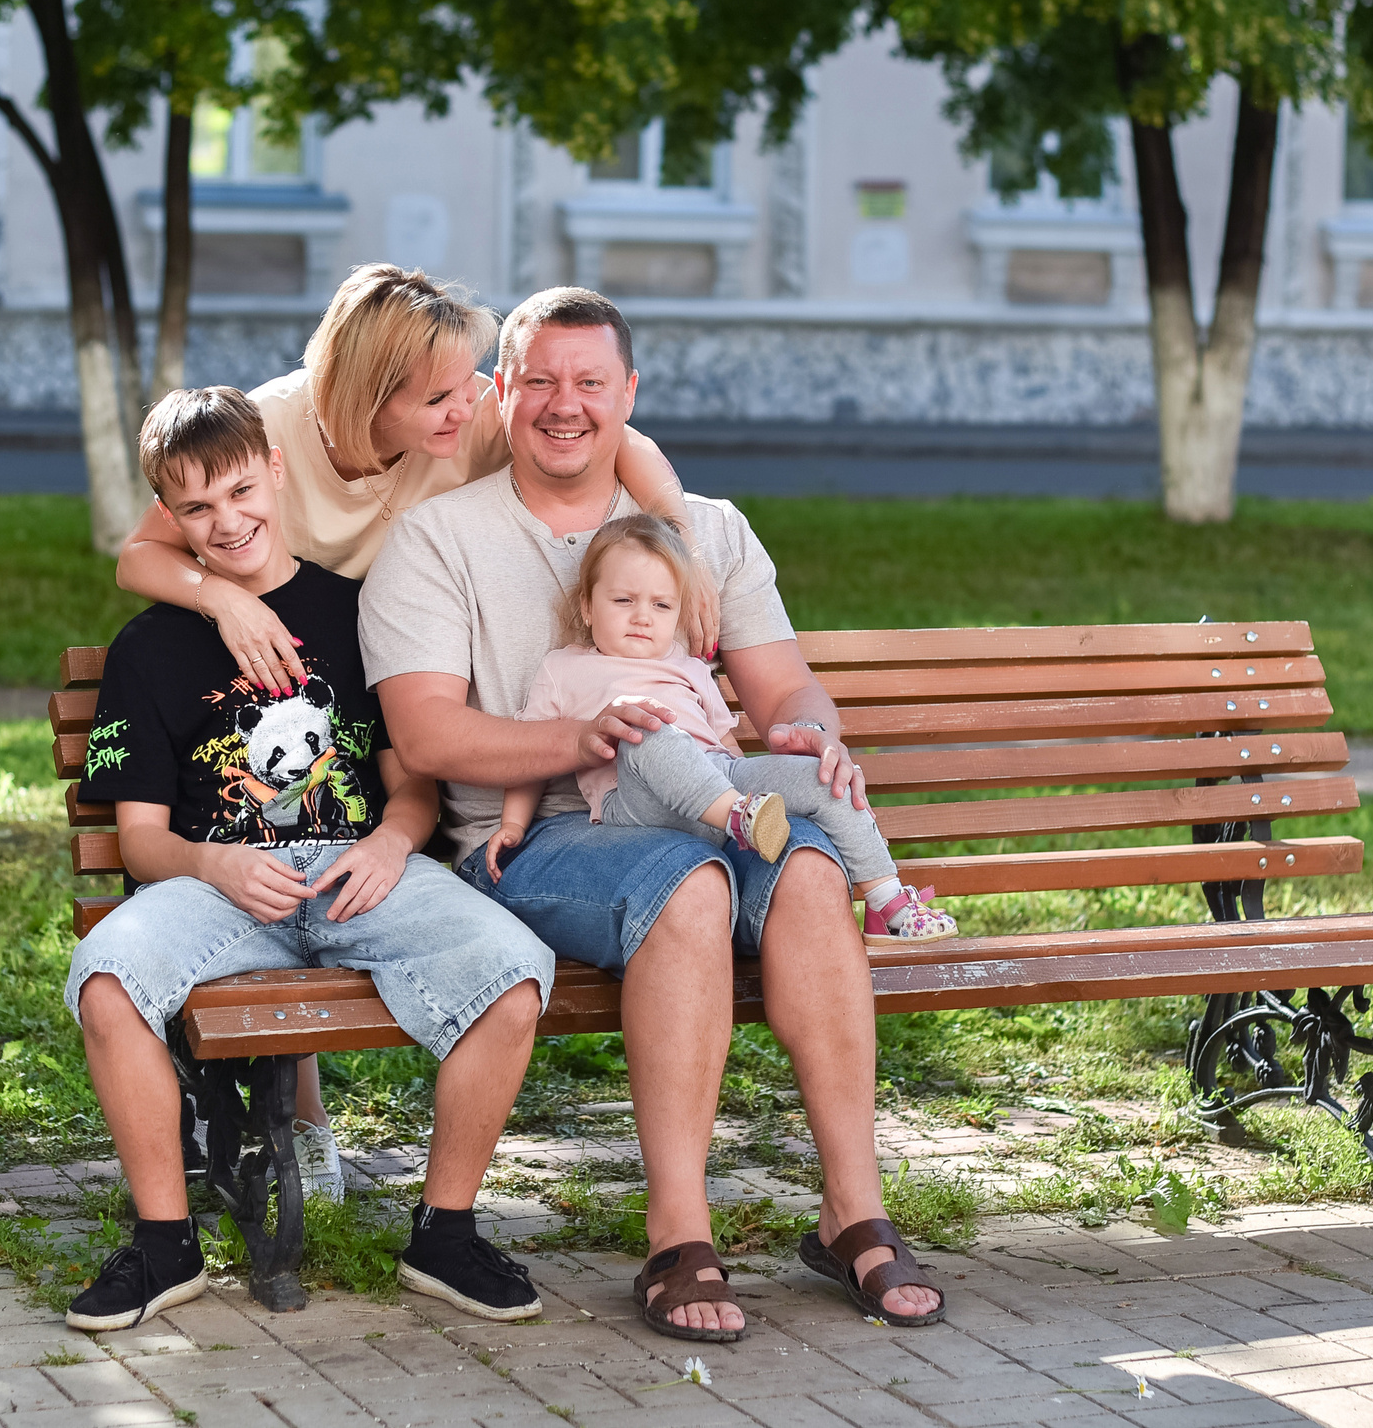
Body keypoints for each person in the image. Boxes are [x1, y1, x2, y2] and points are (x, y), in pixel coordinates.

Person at [361, 288, 948, 1343]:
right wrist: (584, 741)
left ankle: (851, 1208)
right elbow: (429, 732)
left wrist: (817, 738)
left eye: (590, 381)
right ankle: (679, 1229)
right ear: (503, 391)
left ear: (629, 394)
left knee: (809, 868)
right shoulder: (436, 538)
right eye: (537, 378)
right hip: (537, 834)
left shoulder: (707, 533)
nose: (563, 404)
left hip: (710, 808)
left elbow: (785, 691)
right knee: (691, 884)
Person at [113, 262, 705, 1200]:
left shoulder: (458, 418)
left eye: (468, 381)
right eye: (439, 394)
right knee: (272, 832)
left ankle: (305, 1125)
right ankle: (287, 1110)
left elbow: (615, 435)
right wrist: (220, 600)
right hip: (268, 649)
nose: (469, 405)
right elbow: (141, 551)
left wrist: (677, 530)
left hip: (372, 663)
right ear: (364, 397)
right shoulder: (266, 435)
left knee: (346, 836)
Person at [64, 387, 555, 1331]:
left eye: (243, 491)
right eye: (198, 509)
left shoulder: (357, 612)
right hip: (216, 881)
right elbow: (139, 840)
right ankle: (165, 1245)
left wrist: (390, 840)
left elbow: (411, 781)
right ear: (168, 513)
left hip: (354, 870)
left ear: (275, 469)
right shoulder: (150, 646)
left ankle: (444, 1233)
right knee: (107, 981)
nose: (228, 521)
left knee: (511, 971)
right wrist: (215, 865)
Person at [488, 512, 955, 943]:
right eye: (623, 600)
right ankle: (741, 818)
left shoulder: (689, 667)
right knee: (640, 720)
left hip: (718, 783)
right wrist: (513, 824)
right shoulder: (563, 669)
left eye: (661, 605)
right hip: (636, 803)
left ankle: (886, 902)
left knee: (823, 774)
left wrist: (772, 773)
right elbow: (532, 756)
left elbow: (722, 743)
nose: (642, 616)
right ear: (588, 607)